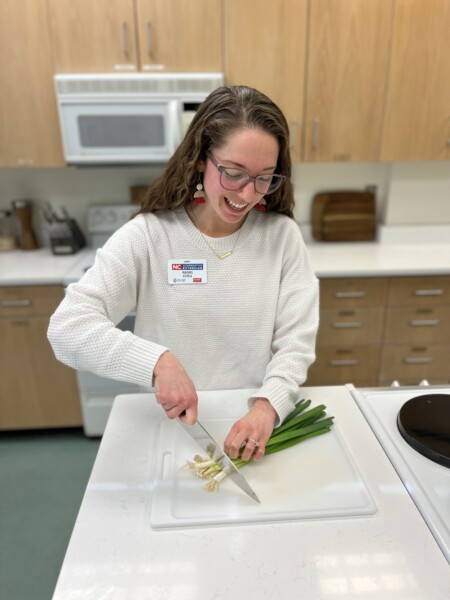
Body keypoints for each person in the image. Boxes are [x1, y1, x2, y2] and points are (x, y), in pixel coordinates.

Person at [47, 85, 319, 463]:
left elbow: (295, 342)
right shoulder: (150, 235)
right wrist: (157, 362)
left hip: (252, 425)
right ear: (201, 160)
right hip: (168, 425)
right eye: (234, 173)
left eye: (265, 177)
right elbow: (66, 329)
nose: (248, 192)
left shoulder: (282, 237)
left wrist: (267, 407)